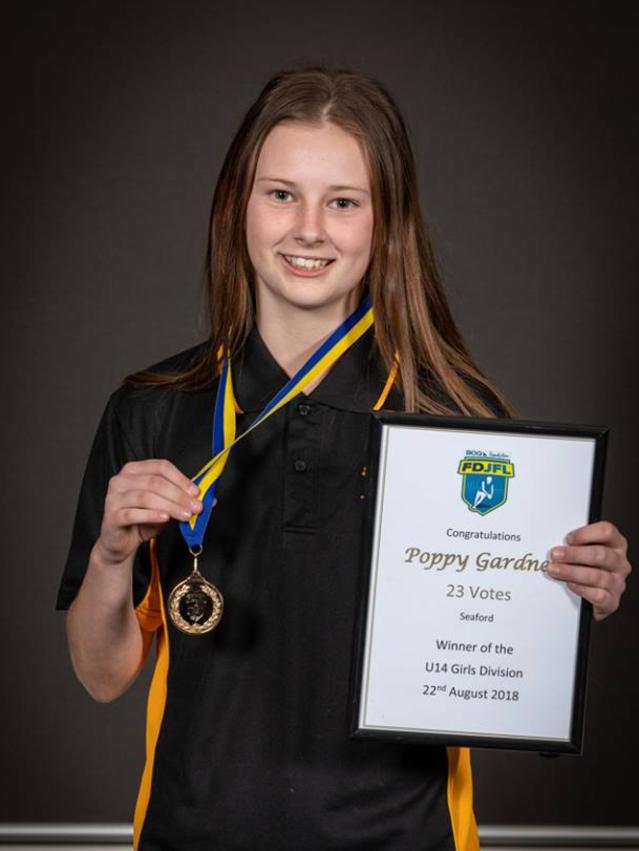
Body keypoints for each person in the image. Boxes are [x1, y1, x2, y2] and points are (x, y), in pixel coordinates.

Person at [57, 67, 632, 851]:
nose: (308, 230)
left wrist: (568, 597)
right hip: (189, 835)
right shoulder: (150, 408)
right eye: (281, 193)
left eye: (344, 202)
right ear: (236, 206)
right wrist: (110, 553)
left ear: (386, 224)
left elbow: (507, 658)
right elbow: (102, 674)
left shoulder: (460, 424)